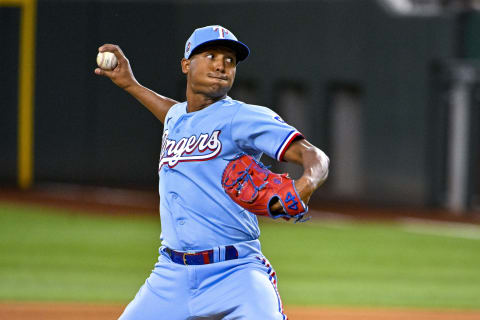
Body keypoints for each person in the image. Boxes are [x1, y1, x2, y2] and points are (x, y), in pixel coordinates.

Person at [95, 25, 329, 320]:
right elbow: (172, 112)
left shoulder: (243, 116)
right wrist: (130, 85)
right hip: (171, 276)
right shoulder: (177, 118)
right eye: (211, 55)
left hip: (236, 272)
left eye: (230, 60)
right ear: (186, 65)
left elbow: (315, 155)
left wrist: (306, 184)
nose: (221, 64)